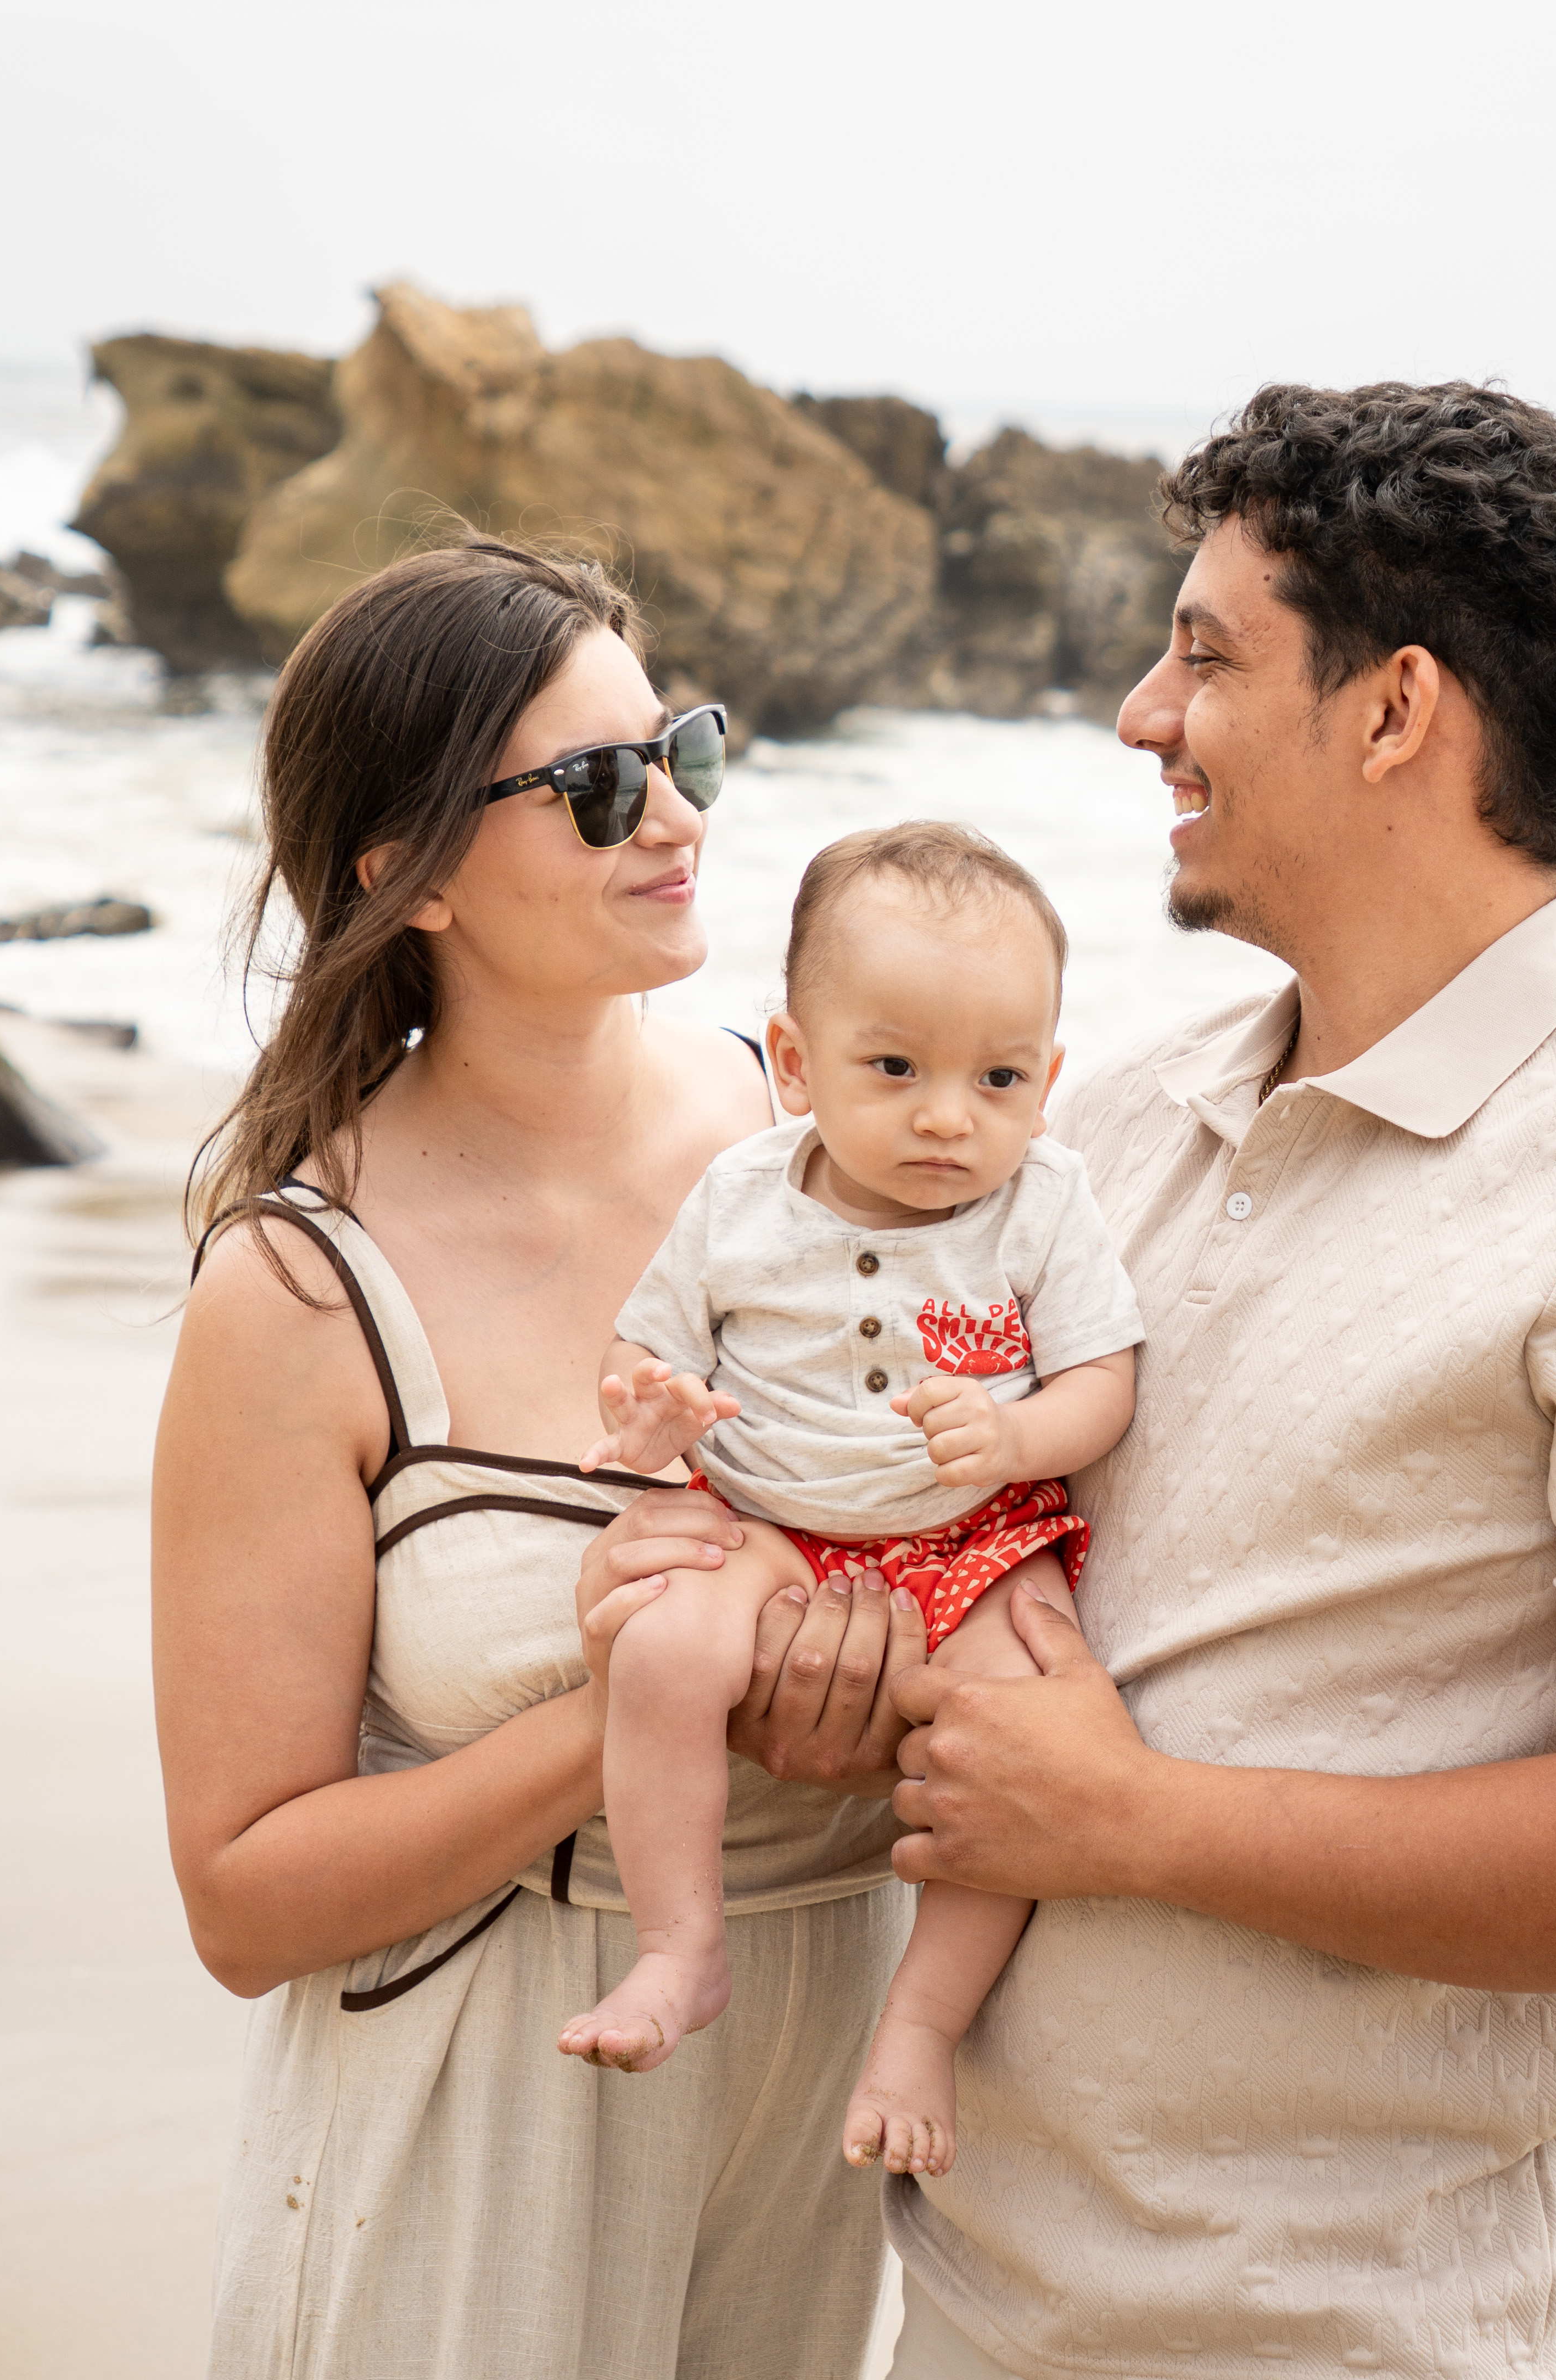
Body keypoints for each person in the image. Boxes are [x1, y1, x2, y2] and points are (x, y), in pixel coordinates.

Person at [594, 383, 1556, 2379]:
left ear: (1392, 715)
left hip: (1356, 2340)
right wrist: (782, 1631)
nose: (1141, 714)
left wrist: (1134, 1823)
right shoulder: (1097, 1129)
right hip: (966, 2303)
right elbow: (992, 1587)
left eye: (1204, 657)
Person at [153, 534, 928, 2380]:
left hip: (834, 2065)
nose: (672, 818)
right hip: (474, 2095)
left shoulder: (846, 1133)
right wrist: (641, 1710)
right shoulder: (298, 1287)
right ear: (405, 874)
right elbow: (245, 1901)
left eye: (687, 754)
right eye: (594, 787)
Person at [556, 823, 1141, 2187]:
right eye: (895, 1069)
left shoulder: (1041, 1201)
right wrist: (646, 1419)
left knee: (1025, 1747)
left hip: (966, 1534)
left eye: (998, 1078)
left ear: (1047, 1082)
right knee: (660, 1647)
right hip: (767, 1519)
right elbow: (647, 1359)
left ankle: (918, 2031)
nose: (950, 1115)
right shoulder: (742, 1193)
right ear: (798, 1063)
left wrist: (1010, 1432)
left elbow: (1103, 1381)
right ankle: (679, 1946)